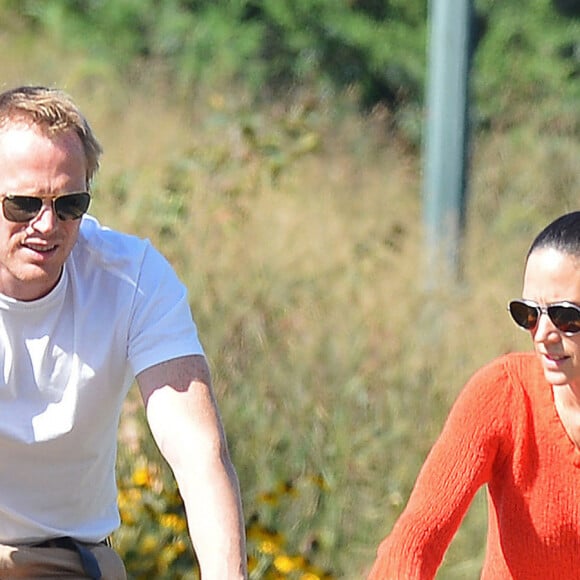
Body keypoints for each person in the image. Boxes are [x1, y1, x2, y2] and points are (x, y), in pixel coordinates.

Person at [0, 85, 247, 579]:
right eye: (23, 204)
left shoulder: (132, 279)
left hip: (60, 559)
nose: (47, 225)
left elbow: (199, 451)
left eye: (70, 203)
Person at [368, 210, 580, 579]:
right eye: (528, 314)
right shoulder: (503, 392)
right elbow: (414, 541)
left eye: (565, 316)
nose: (542, 334)